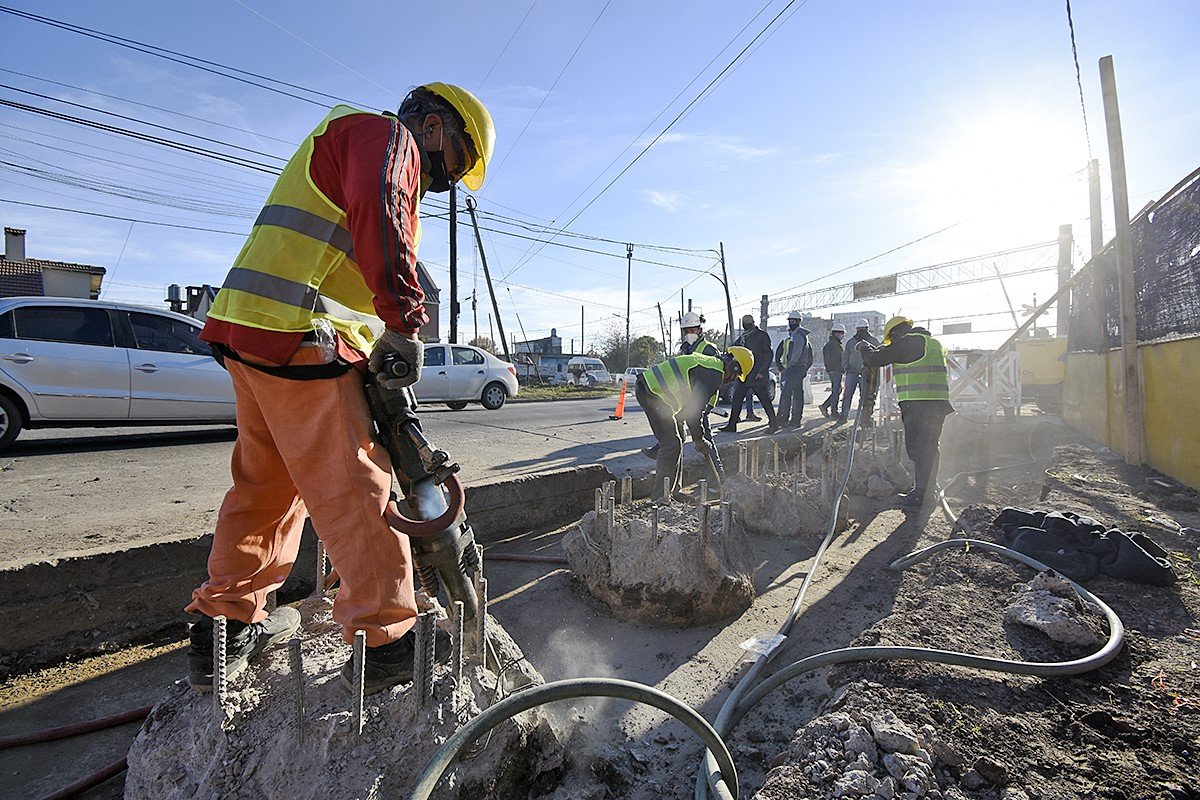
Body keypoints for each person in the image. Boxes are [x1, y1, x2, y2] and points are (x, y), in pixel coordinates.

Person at [184, 83, 495, 695]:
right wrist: (405, 323)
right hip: (303, 337)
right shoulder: (387, 139)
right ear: (433, 129)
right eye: (456, 161)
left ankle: (223, 625)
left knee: (267, 489)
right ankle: (387, 640)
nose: (449, 181)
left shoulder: (345, 139)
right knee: (356, 487)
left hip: (254, 331)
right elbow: (382, 216)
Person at [860, 316, 953, 507]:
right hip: (937, 404)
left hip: (919, 405)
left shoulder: (908, 342)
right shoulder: (932, 343)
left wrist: (863, 347)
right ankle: (929, 489)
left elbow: (875, 359)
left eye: (892, 339)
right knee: (930, 447)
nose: (893, 343)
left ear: (897, 332)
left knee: (920, 449)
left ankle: (922, 494)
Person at [637, 347, 753, 500]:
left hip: (656, 393)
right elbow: (694, 412)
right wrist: (698, 440)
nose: (732, 380)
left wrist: (700, 436)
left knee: (680, 437)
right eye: (736, 376)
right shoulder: (714, 375)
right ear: (734, 366)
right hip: (652, 392)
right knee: (671, 444)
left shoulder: (711, 366)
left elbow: (691, 411)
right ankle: (660, 497)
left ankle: (673, 491)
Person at [643, 312, 721, 461]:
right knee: (675, 421)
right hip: (686, 396)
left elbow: (714, 377)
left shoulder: (709, 349)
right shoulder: (684, 348)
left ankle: (717, 473)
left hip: (703, 397)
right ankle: (661, 448)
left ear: (699, 329)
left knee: (704, 435)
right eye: (686, 330)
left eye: (692, 330)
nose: (689, 333)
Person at [720, 315, 781, 433]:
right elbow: (734, 349)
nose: (746, 324)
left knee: (765, 400)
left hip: (757, 375)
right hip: (744, 375)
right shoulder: (743, 337)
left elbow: (768, 354)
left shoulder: (762, 335)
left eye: (747, 322)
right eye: (744, 322)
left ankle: (774, 424)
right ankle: (732, 425)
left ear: (753, 322)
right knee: (737, 399)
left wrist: (762, 371)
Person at [774, 310, 812, 429]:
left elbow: (796, 353)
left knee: (787, 394)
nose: (791, 323)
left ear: (799, 322)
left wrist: (790, 366)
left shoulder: (798, 335)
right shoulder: (799, 335)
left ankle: (784, 419)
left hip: (795, 368)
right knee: (797, 394)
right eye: (790, 321)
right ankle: (795, 420)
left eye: (793, 321)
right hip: (799, 368)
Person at [837, 319, 879, 424]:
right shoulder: (851, 342)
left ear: (866, 329)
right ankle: (843, 416)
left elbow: (879, 354)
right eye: (859, 329)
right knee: (847, 395)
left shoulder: (873, 341)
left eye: (862, 329)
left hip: (867, 373)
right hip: (852, 372)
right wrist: (845, 365)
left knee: (866, 397)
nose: (861, 331)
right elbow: (845, 355)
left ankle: (865, 418)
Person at [819, 323, 846, 417]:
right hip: (836, 370)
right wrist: (843, 367)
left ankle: (825, 406)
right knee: (836, 391)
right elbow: (838, 359)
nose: (842, 336)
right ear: (837, 334)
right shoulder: (835, 345)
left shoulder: (829, 345)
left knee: (837, 390)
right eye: (842, 333)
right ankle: (833, 411)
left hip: (832, 370)